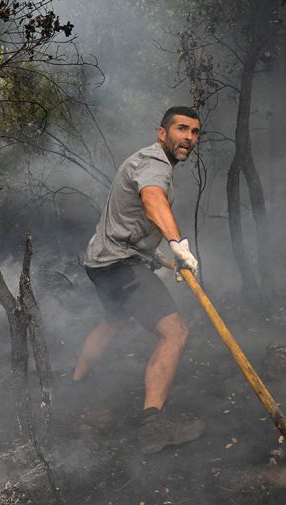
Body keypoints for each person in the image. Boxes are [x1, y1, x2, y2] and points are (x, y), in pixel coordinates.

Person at [73, 106, 204, 453]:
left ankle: (74, 385)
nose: (189, 138)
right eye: (181, 129)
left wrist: (161, 256)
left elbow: (134, 221)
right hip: (118, 265)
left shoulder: (146, 161)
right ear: (162, 133)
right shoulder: (154, 165)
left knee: (114, 321)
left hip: (100, 262)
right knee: (175, 331)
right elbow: (152, 199)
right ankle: (152, 427)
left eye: (194, 132)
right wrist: (178, 245)